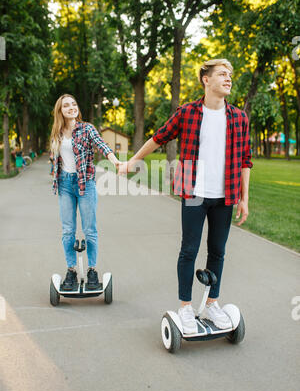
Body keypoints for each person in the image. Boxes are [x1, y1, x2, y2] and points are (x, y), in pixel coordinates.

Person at [118, 59, 253, 334]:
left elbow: (245, 161)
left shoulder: (239, 117)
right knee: (189, 250)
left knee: (218, 251)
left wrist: (244, 198)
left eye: (230, 75)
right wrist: (133, 161)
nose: (228, 79)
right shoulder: (188, 113)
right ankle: (185, 307)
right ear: (206, 79)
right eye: (222, 74)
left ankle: (212, 304)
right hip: (194, 193)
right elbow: (159, 138)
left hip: (225, 196)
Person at [50, 94, 120, 291]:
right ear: (60, 110)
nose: (71, 107)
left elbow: (102, 145)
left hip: (85, 184)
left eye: (74, 103)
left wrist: (114, 161)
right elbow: (56, 159)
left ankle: (92, 270)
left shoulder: (87, 128)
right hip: (65, 184)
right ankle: (71, 270)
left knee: (90, 229)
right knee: (67, 230)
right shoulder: (57, 132)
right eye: (66, 105)